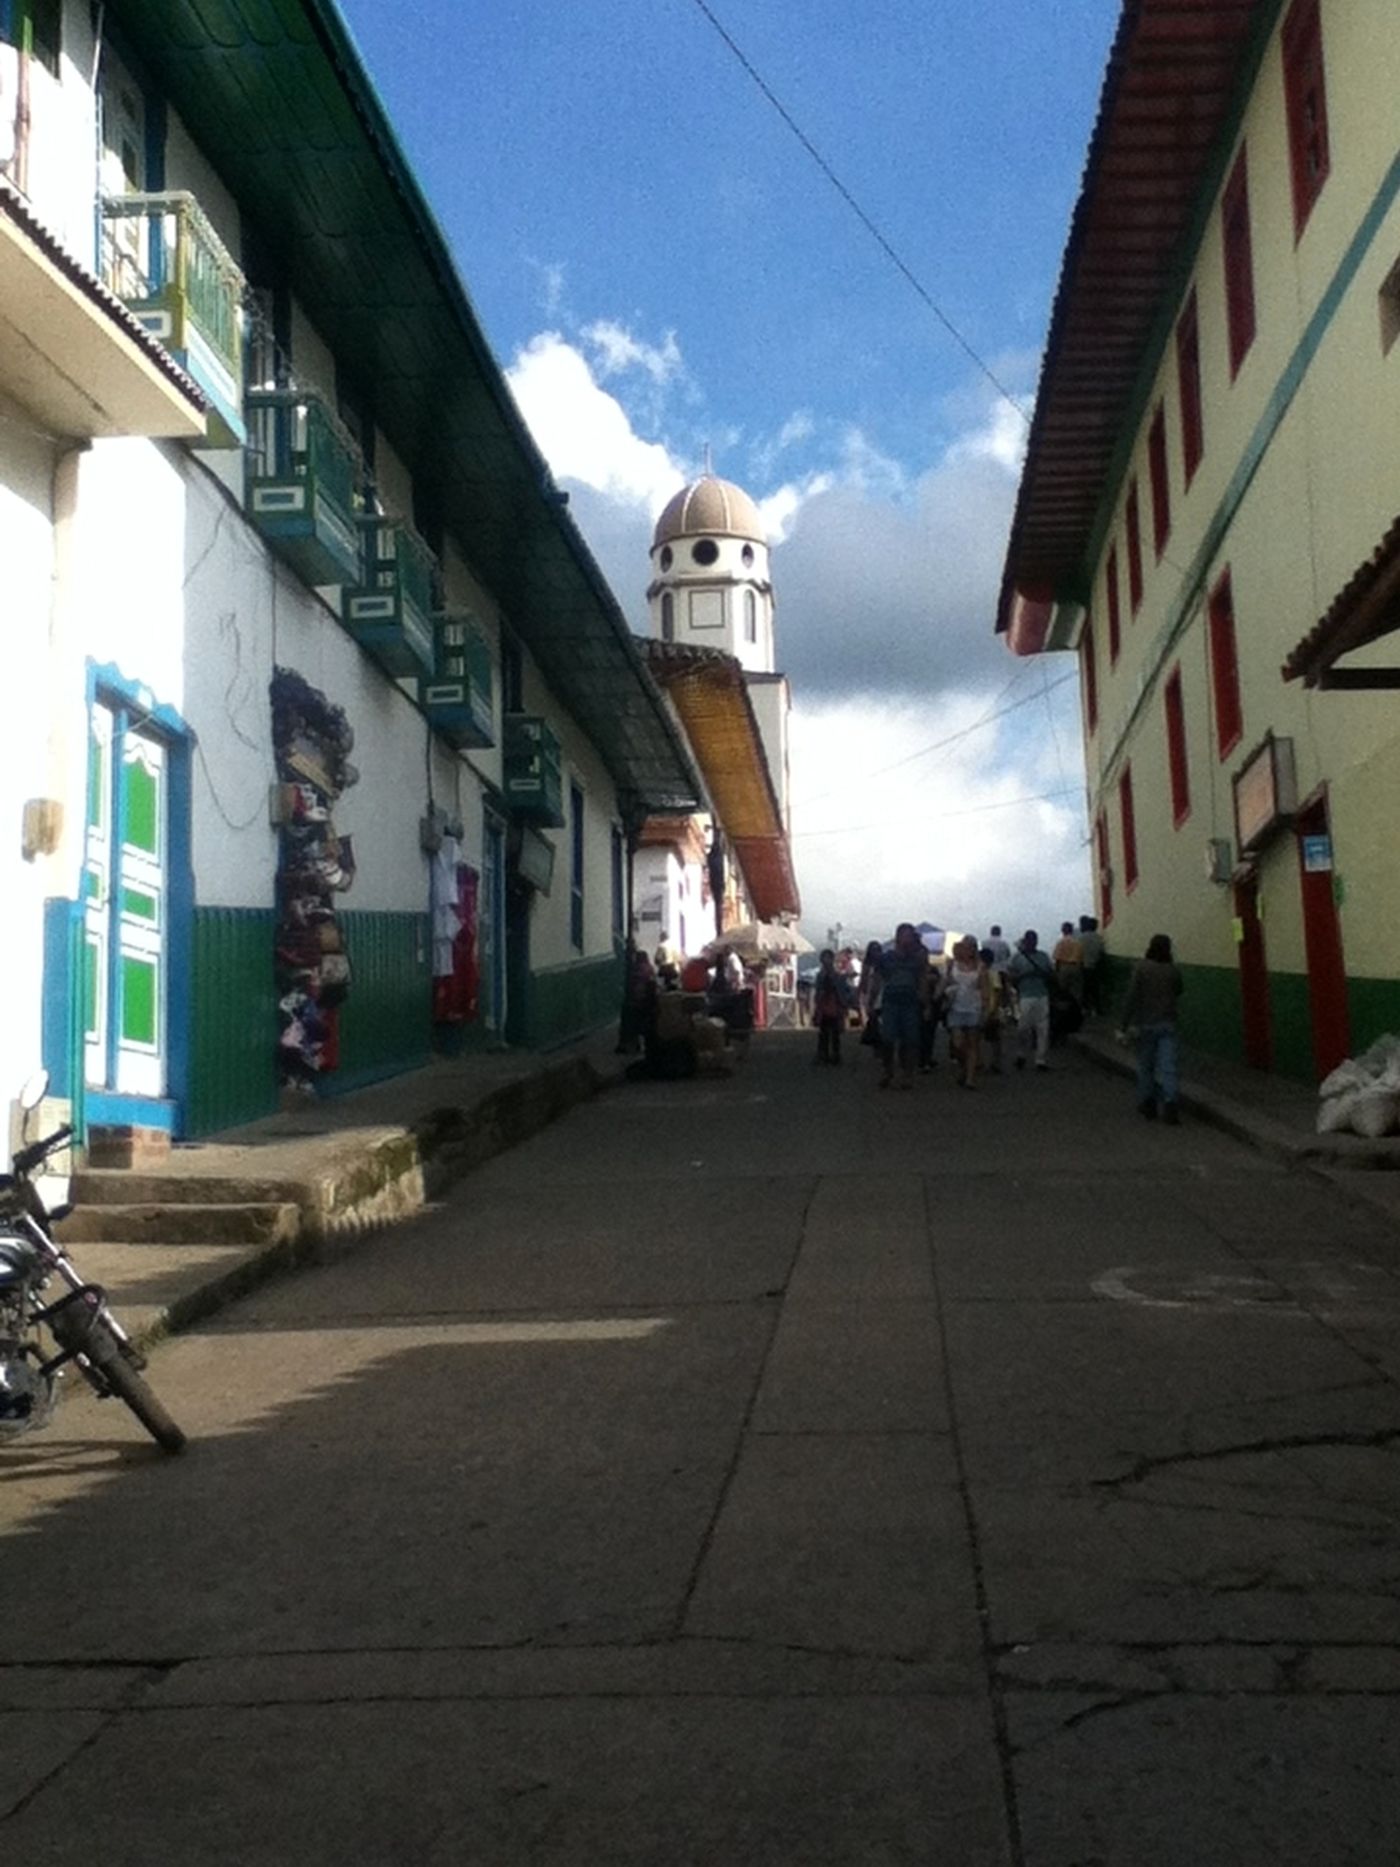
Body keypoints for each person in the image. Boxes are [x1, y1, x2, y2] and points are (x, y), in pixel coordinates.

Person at [1118, 932, 1185, 1122]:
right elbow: (1179, 990)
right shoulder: (1173, 970)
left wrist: (1123, 1024)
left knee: (1146, 1066)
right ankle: (1170, 1104)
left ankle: (1148, 1103)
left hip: (1145, 1024)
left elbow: (1131, 997)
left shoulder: (1141, 968)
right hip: (1168, 1023)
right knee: (1168, 1067)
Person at [878, 923, 928, 1089]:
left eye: (910, 936)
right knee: (887, 1039)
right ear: (898, 937)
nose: (908, 939)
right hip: (890, 1002)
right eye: (906, 936)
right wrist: (870, 1001)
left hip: (910, 1003)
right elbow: (877, 978)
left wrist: (925, 1001)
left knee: (910, 1040)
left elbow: (922, 978)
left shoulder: (917, 958)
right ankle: (887, 1070)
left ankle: (907, 1074)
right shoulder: (886, 958)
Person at [945, 936, 991, 1088]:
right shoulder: (952, 964)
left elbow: (985, 989)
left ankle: (970, 1078)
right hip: (955, 1007)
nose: (968, 949)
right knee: (958, 1043)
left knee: (972, 1043)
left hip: (973, 1008)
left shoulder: (980, 967)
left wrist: (985, 1009)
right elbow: (946, 981)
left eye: (971, 947)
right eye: (966, 946)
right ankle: (964, 1067)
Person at [1007, 930, 1054, 1070]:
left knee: (1042, 1028)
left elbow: (1051, 975)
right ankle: (1021, 1053)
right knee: (1023, 1027)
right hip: (1025, 995)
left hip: (1042, 994)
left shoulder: (1043, 957)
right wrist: (1024, 976)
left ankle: (1040, 1059)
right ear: (1025, 941)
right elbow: (1011, 977)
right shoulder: (1017, 958)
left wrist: (1042, 975)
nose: (1032, 943)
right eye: (1030, 940)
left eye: (1034, 940)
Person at [811, 949, 855, 1065]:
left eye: (828, 958)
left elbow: (842, 991)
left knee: (835, 1033)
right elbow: (818, 992)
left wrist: (843, 1005)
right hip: (824, 1006)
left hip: (835, 1005)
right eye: (825, 959)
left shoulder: (837, 976)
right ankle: (824, 1055)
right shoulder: (821, 976)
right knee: (824, 1033)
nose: (827, 961)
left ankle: (835, 1055)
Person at [616, 947, 655, 1055]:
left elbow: (634, 989)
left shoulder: (637, 971)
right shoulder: (650, 969)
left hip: (639, 1003)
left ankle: (628, 1043)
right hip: (647, 1003)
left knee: (628, 1015)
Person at [979, 944, 1006, 1074]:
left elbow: (997, 991)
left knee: (991, 1038)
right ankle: (993, 1062)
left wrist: (993, 1008)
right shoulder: (992, 973)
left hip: (989, 1009)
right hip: (988, 1008)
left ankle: (993, 1063)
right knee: (993, 1039)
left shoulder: (991, 974)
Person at [858, 939, 885, 1052]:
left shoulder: (883, 964)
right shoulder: (867, 965)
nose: (875, 953)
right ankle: (876, 1043)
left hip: (881, 992)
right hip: (870, 992)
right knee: (873, 1018)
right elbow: (863, 979)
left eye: (877, 950)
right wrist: (861, 992)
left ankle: (877, 1042)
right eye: (874, 950)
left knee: (877, 1018)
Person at [1053, 920, 1085, 1006]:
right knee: (1077, 991)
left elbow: (1057, 959)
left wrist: (1057, 972)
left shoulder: (1060, 943)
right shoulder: (1077, 943)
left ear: (1063, 930)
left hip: (1063, 968)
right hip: (1075, 967)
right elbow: (1081, 959)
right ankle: (1077, 1007)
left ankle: (1065, 1008)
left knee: (1063, 990)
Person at [1078, 915, 1105, 1015]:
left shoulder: (1081, 938)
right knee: (1095, 990)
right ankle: (1097, 1009)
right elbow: (1101, 953)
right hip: (1095, 967)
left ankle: (1085, 1009)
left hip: (1083, 967)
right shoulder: (1099, 938)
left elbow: (1078, 953)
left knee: (1084, 990)